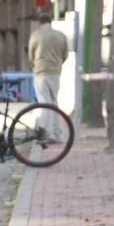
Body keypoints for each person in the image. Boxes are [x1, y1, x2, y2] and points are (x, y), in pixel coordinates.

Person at [27, 13, 69, 142]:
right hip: (55, 72)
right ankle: (57, 133)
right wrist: (57, 64)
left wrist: (35, 66)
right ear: (51, 21)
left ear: (40, 23)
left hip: (40, 72)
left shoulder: (35, 35)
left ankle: (47, 134)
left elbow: (30, 56)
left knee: (44, 103)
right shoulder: (61, 35)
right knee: (54, 102)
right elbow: (65, 54)